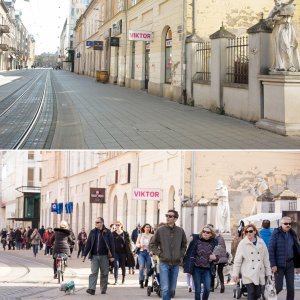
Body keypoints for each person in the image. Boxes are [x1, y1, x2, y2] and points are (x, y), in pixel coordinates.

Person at [150, 210, 187, 300]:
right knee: (165, 288)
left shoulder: (180, 231)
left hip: (175, 263)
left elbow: (184, 245)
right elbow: (152, 244)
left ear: (175, 218)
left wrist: (180, 254)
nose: (168, 217)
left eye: (170, 216)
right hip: (164, 262)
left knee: (172, 289)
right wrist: (160, 253)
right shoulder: (160, 230)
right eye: (167, 215)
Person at [233, 224, 272, 300]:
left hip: (260, 272)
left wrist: (268, 273)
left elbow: (266, 259)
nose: (248, 233)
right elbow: (237, 260)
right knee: (251, 292)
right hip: (248, 272)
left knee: (258, 293)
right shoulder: (242, 243)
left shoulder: (261, 242)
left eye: (250, 231)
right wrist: (235, 273)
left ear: (254, 232)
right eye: (246, 232)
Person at [269, 216, 300, 300]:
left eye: (290, 223)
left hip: (290, 264)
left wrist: (297, 266)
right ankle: (270, 298)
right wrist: (273, 264)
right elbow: (271, 250)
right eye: (286, 223)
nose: (288, 225)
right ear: (281, 224)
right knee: (278, 287)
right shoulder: (275, 234)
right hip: (279, 265)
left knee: (291, 288)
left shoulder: (293, 234)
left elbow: (297, 250)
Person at [184, 225, 218, 300]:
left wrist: (215, 258)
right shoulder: (196, 241)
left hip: (207, 269)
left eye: (207, 232)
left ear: (211, 234)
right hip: (196, 269)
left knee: (207, 289)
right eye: (204, 231)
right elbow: (189, 254)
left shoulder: (214, 243)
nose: (205, 233)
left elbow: (219, 255)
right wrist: (189, 268)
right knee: (198, 290)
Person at [83, 217, 115, 295]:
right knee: (94, 272)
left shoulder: (107, 232)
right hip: (94, 255)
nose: (96, 224)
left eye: (98, 222)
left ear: (102, 223)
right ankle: (92, 289)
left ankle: (103, 289)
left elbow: (112, 244)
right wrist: (84, 254)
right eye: (95, 222)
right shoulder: (93, 232)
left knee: (104, 273)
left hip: (104, 256)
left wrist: (112, 256)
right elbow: (88, 243)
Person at [267, 0, 300, 72]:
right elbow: (269, 20)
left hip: (289, 29)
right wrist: (275, 18)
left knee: (291, 46)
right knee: (284, 46)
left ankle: (290, 65)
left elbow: (290, 17)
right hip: (279, 29)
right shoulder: (275, 9)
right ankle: (281, 65)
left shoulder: (290, 6)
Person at [136, 223, 153, 288]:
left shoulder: (152, 236)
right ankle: (141, 280)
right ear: (144, 228)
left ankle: (146, 280)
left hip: (149, 253)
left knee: (148, 267)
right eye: (146, 227)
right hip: (141, 252)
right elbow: (137, 243)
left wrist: (151, 250)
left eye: (149, 227)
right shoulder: (140, 235)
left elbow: (153, 245)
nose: (148, 228)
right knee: (141, 266)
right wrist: (140, 245)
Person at [213, 228, 228, 293]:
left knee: (213, 271)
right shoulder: (222, 238)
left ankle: (211, 286)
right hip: (222, 258)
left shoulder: (214, 238)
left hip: (216, 257)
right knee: (220, 272)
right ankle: (222, 285)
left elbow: (214, 248)